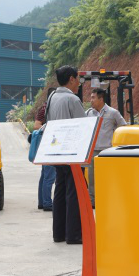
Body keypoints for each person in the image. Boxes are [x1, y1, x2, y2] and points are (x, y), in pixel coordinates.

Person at [48, 65, 86, 244]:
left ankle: (59, 233)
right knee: (74, 193)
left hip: (56, 151)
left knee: (60, 191)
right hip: (72, 152)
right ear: (71, 79)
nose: (79, 82)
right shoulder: (72, 99)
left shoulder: (52, 97)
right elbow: (83, 127)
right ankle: (74, 235)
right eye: (78, 79)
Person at [85, 88, 127, 207]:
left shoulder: (113, 113)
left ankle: (108, 198)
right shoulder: (88, 113)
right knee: (92, 177)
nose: (91, 100)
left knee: (107, 177)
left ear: (101, 99)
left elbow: (123, 127)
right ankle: (92, 201)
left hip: (107, 151)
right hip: (93, 150)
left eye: (93, 98)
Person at [34, 87, 56, 211]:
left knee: (44, 176)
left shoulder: (45, 108)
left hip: (46, 146)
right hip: (49, 146)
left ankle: (42, 202)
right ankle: (47, 203)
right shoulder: (46, 109)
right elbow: (37, 126)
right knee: (49, 177)